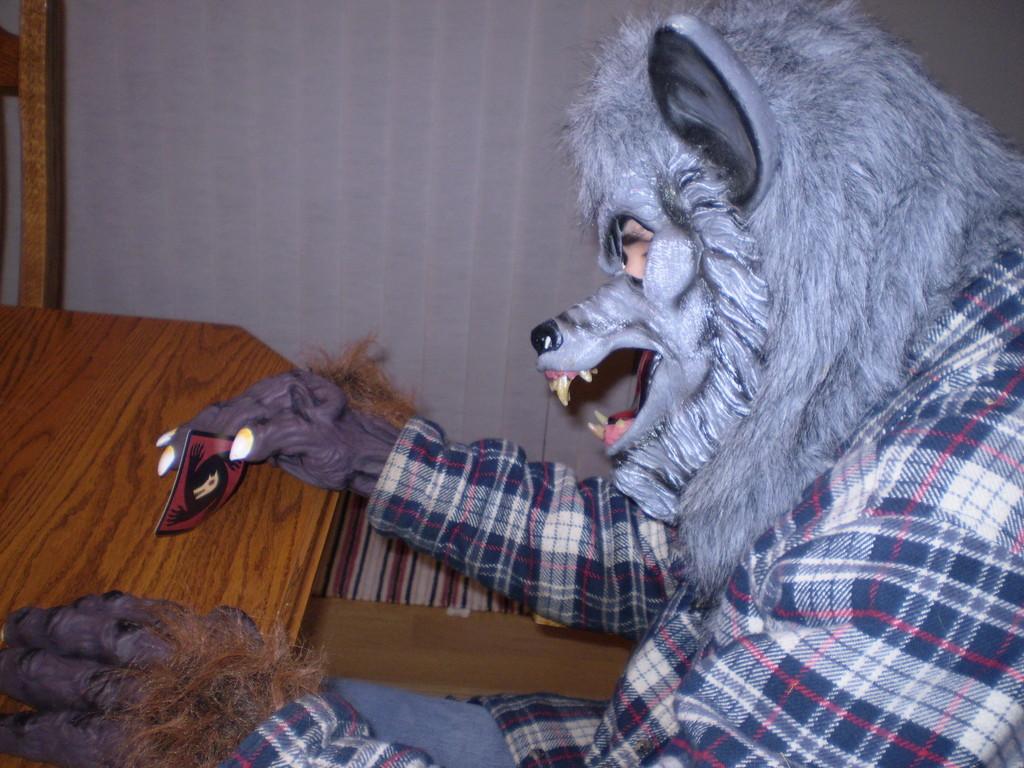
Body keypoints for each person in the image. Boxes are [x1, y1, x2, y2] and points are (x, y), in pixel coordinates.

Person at [2, 1, 1022, 765]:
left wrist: (243, 734)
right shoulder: (879, 337)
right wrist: (382, 458)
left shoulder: (947, 519)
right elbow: (674, 565)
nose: (627, 297)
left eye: (640, 249)